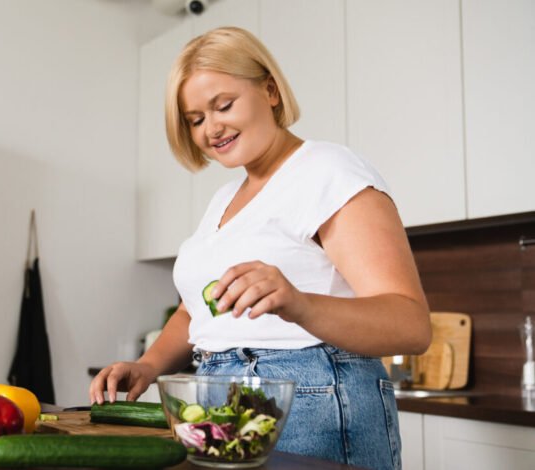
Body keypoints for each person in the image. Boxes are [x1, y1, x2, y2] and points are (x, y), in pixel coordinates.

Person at [89, 26, 430, 470]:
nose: (211, 128)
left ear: (270, 90)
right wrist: (149, 366)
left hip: (312, 399)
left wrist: (299, 303)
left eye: (223, 105)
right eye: (195, 119)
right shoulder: (223, 200)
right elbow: (198, 309)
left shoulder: (328, 171)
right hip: (219, 400)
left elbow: (411, 323)